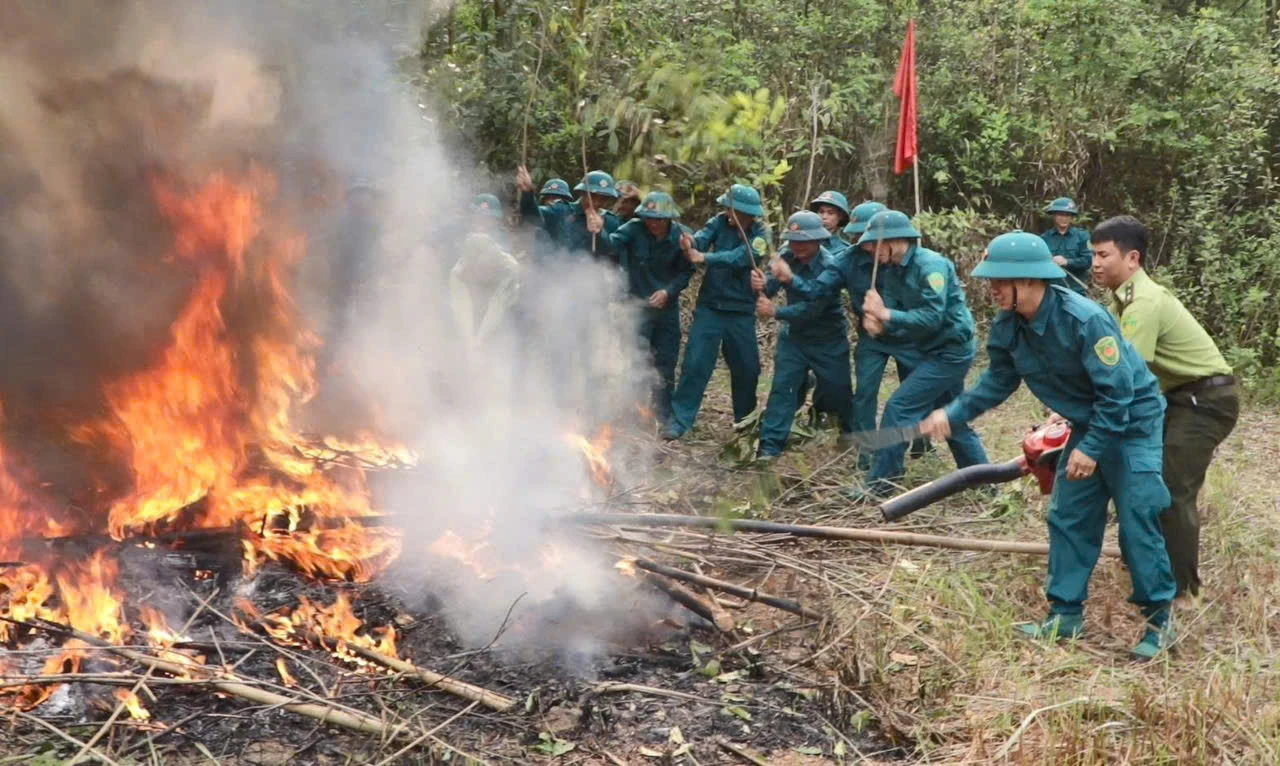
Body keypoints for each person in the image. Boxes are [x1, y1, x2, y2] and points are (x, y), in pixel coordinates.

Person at [920, 231, 1176, 659]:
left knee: (1138, 514)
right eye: (991, 281)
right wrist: (954, 414)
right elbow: (998, 381)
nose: (993, 289)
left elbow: (1119, 394)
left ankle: (1159, 621)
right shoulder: (1009, 327)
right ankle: (1065, 615)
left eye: (1001, 281)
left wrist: (1091, 449)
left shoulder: (1084, 319)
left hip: (1132, 421)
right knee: (1069, 513)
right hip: (1086, 421)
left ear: (1031, 281)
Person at [1091, 215, 1238, 598]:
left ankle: (1182, 590)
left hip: (1205, 400)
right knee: (1144, 477)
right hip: (1179, 397)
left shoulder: (1143, 304)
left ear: (1132, 259)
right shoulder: (1121, 302)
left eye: (1104, 254)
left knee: (1173, 490)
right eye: (1093, 254)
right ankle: (1145, 562)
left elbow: (1124, 375)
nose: (1095, 263)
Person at [843, 210, 989, 500]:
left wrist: (886, 314)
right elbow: (900, 319)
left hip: (949, 352)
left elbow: (931, 317)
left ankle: (882, 485)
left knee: (899, 409)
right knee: (952, 419)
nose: (869, 251)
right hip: (928, 350)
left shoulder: (931, 265)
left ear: (895, 241)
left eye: (874, 244)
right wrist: (879, 326)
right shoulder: (893, 270)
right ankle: (984, 482)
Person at [664, 184, 770, 439]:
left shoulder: (760, 233)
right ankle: (680, 421)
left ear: (745, 212)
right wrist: (690, 242)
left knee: (747, 368)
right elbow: (700, 240)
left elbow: (741, 257)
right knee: (696, 363)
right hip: (711, 307)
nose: (727, 214)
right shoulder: (719, 222)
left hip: (741, 311)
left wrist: (706, 258)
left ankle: (744, 422)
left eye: (731, 210)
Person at [828, 201, 928, 466]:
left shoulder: (910, 259)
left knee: (914, 393)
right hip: (872, 339)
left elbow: (926, 306)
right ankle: (866, 454)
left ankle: (922, 443)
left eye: (869, 238)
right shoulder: (847, 260)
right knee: (865, 393)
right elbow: (821, 286)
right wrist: (791, 281)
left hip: (908, 336)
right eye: (858, 237)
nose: (864, 244)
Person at [753, 211, 853, 460]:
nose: (796, 246)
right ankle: (770, 446)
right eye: (792, 240)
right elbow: (772, 287)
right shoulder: (787, 256)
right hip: (794, 339)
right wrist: (761, 284)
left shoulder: (831, 265)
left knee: (839, 392)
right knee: (782, 389)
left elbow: (813, 308)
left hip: (828, 340)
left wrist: (776, 311)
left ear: (818, 240)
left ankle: (852, 440)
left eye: (802, 242)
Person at [604, 191, 695, 425]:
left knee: (665, 361)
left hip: (667, 311)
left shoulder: (681, 236)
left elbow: (687, 271)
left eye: (659, 219)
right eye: (649, 218)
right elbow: (608, 246)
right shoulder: (632, 229)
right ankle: (635, 411)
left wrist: (669, 291)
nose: (653, 223)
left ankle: (663, 413)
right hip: (637, 308)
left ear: (669, 219)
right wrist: (598, 230)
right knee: (637, 360)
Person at [516, 166, 621, 260]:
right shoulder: (561, 210)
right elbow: (532, 216)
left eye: (603, 198)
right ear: (582, 193)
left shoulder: (610, 221)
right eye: (592, 196)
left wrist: (600, 232)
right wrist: (527, 193)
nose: (597, 202)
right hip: (557, 275)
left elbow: (613, 254)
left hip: (591, 279)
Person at [1041, 197, 1092, 295]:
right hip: (1052, 291)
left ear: (1072, 217)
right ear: (1054, 216)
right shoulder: (1044, 238)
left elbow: (1088, 261)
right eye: (1060, 215)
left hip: (1077, 291)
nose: (1064, 218)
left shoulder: (1082, 236)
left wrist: (1067, 262)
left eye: (1067, 215)